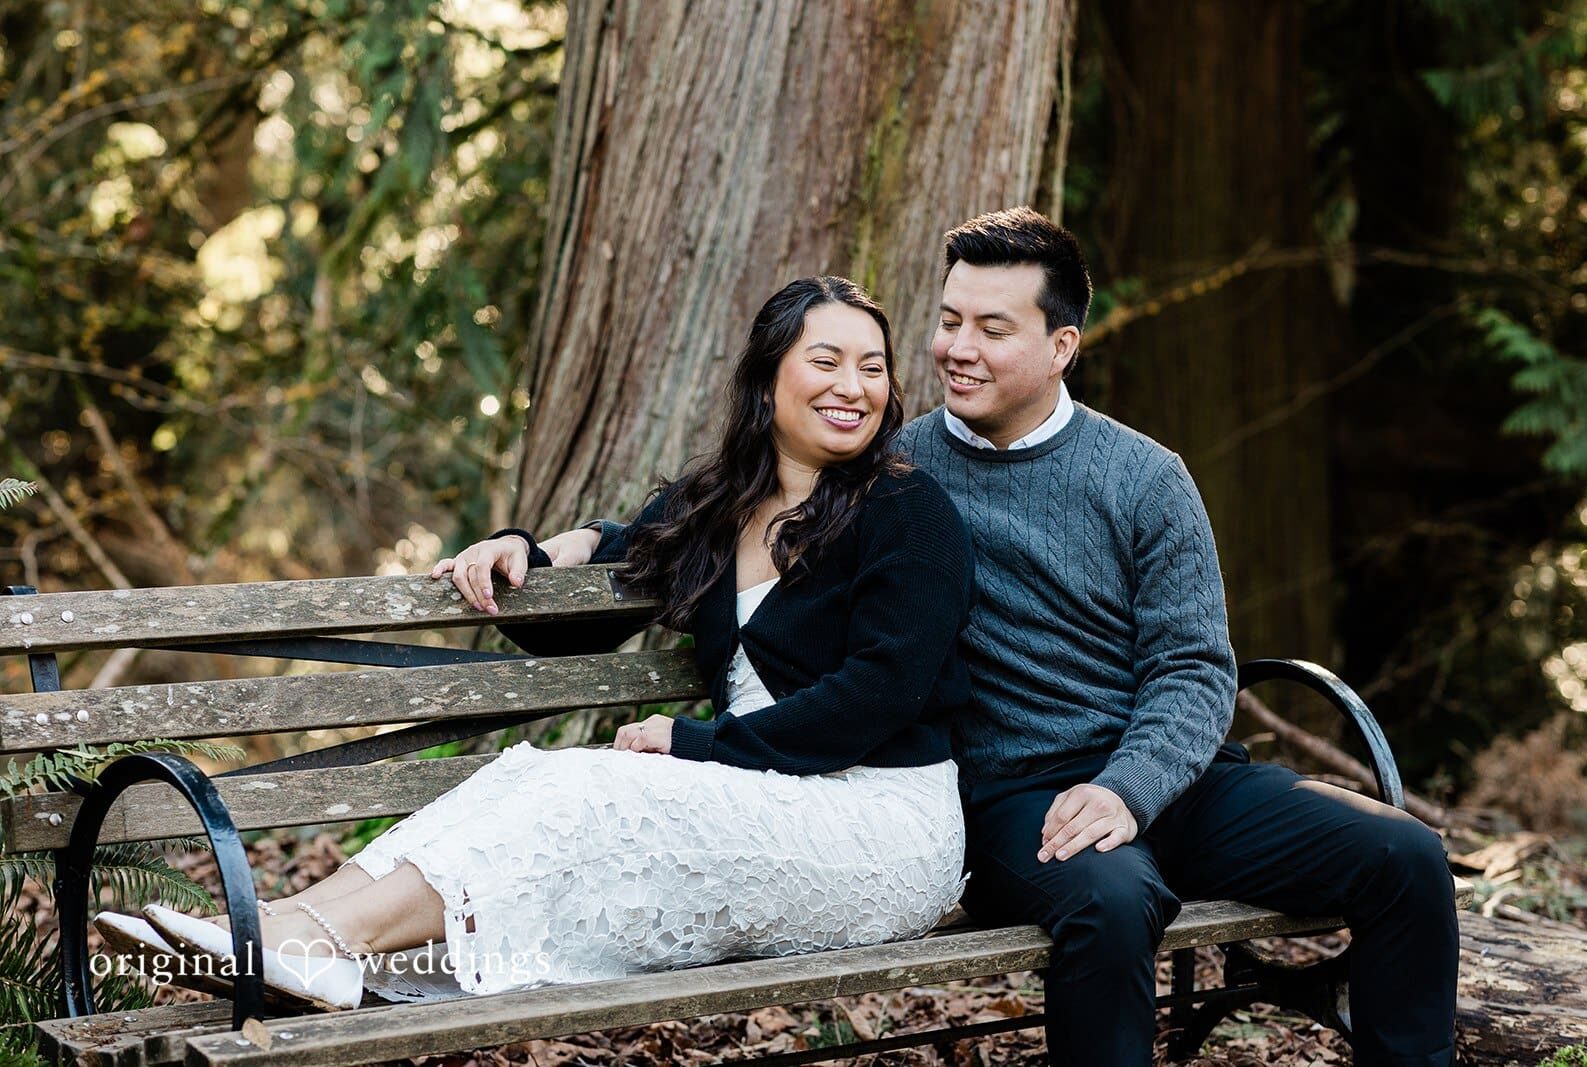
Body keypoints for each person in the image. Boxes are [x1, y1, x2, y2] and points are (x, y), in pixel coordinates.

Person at [537, 208, 1460, 1066]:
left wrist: (1129, 786)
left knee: (1404, 855)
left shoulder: (1143, 477)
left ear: (1061, 346)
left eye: (990, 328)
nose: (955, 349)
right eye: (947, 321)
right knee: (1110, 901)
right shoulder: (895, 475)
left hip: (1167, 778)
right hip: (1012, 796)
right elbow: (718, 514)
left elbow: (1191, 665)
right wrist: (570, 541)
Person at [97, 275, 975, 1011]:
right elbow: (621, 550)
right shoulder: (719, 506)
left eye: (871, 367)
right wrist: (533, 547)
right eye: (824, 361)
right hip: (761, 798)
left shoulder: (906, 511)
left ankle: (320, 938)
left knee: (584, 790)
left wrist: (699, 744)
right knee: (528, 773)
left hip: (876, 823)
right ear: (766, 378)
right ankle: (290, 925)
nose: (851, 386)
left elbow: (880, 693)